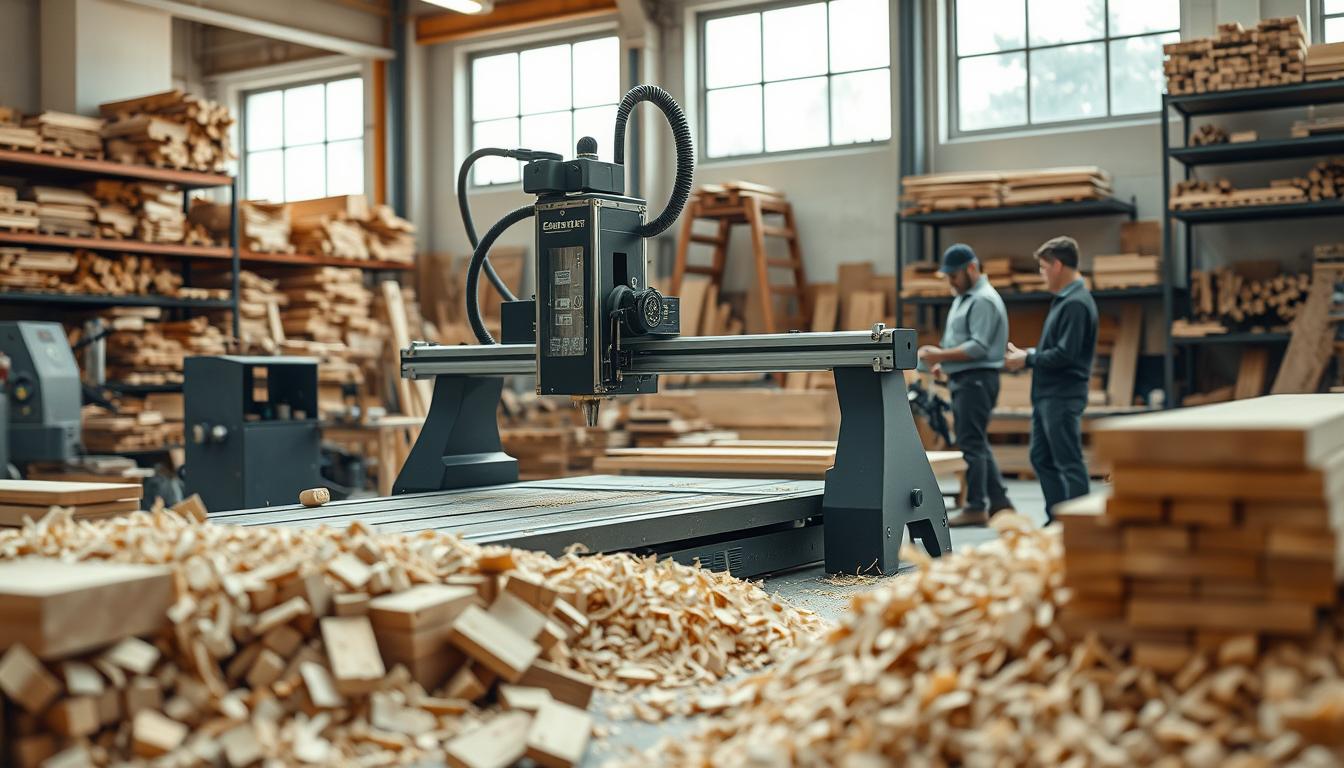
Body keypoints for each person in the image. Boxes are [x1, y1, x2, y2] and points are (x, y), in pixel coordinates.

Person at [917, 243, 1014, 527]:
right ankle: (1000, 504)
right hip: (966, 377)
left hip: (977, 379)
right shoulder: (964, 297)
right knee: (977, 441)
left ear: (971, 269)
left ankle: (975, 506)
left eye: (954, 276)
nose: (950, 281)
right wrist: (944, 363)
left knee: (971, 442)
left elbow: (978, 347)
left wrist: (939, 355)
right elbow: (962, 345)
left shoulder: (982, 299)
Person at [1004, 236, 1098, 523]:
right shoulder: (1065, 301)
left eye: (1043, 267)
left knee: (1068, 461)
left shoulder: (1076, 304)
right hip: (1049, 394)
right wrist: (1030, 354)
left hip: (1062, 395)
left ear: (1057, 265)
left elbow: (1066, 355)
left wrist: (1027, 358)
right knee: (1042, 458)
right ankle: (1058, 519)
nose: (1041, 274)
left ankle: (1081, 524)